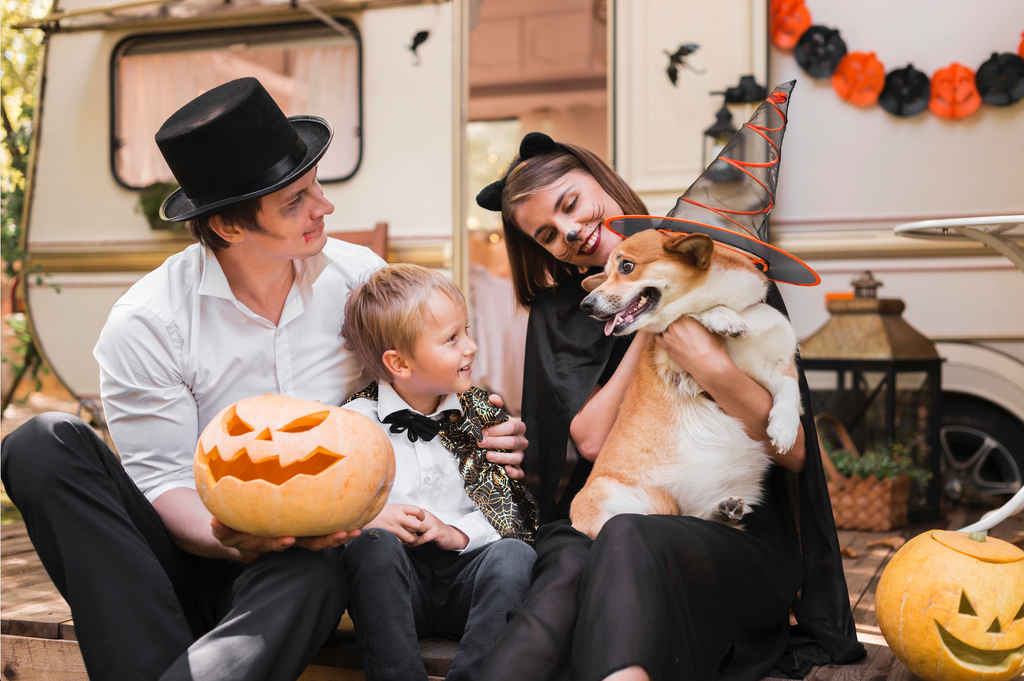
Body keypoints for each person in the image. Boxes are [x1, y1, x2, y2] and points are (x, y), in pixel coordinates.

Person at [0, 78, 527, 681]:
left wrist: (481, 428)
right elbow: (165, 482)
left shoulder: (360, 281)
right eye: (295, 200)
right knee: (39, 443)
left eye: (316, 185)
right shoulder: (148, 321)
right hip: (189, 545)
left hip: (305, 561)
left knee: (316, 567)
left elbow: (417, 382)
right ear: (228, 227)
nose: (323, 207)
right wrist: (247, 533)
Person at [474, 128, 866, 681]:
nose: (570, 232)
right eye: (548, 235)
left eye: (571, 205)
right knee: (564, 576)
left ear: (603, 181)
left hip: (727, 527)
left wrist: (713, 366)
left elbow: (797, 453)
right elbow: (589, 440)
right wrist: (650, 315)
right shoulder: (562, 312)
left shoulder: (723, 273)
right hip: (611, 500)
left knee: (628, 538)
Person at [339, 263, 538, 681]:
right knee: (371, 545)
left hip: (467, 578)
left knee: (515, 555)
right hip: (397, 586)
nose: (471, 347)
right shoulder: (354, 424)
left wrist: (458, 534)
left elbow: (509, 511)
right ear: (400, 362)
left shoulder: (482, 416)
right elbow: (332, 507)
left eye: (467, 330)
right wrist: (368, 521)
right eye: (452, 339)